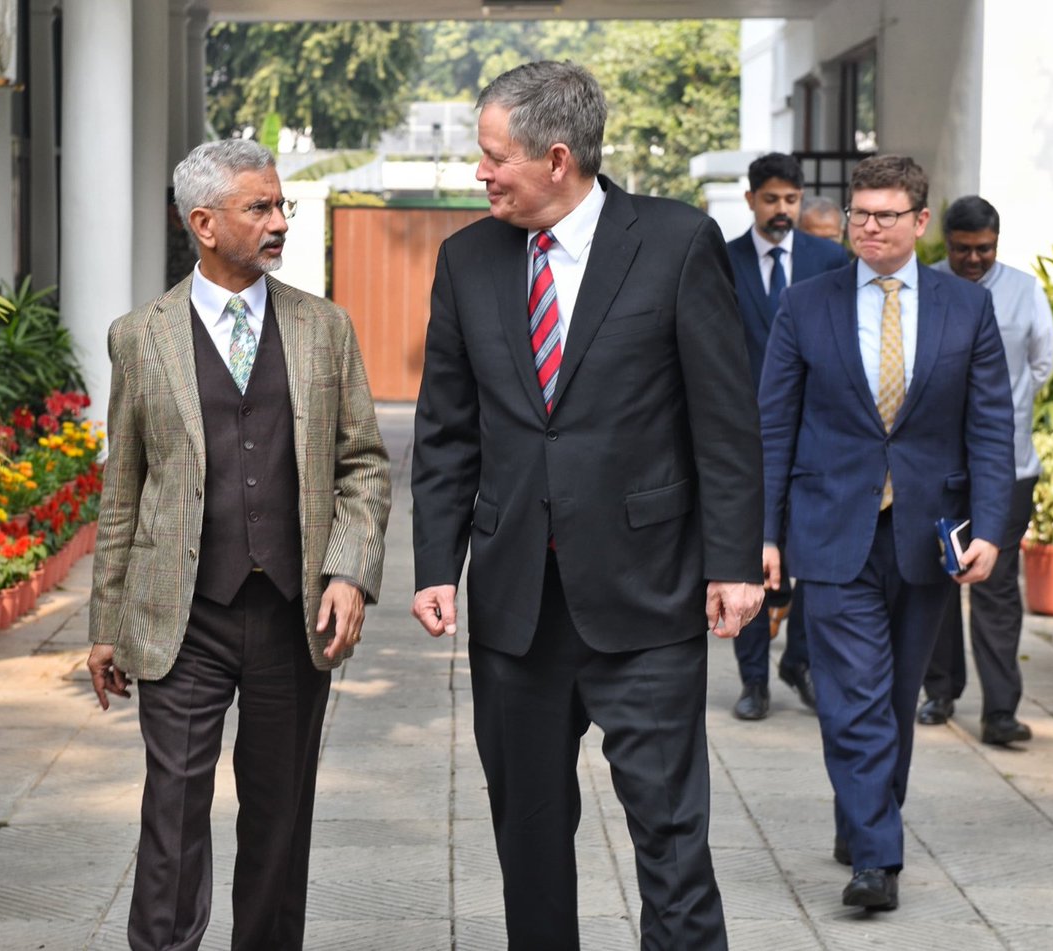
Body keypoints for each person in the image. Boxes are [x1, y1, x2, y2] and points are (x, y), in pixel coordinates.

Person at [410, 61, 765, 950]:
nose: (480, 174)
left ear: (557, 157)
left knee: (672, 838)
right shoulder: (466, 261)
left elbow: (725, 419)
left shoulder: (680, 242)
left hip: (648, 597)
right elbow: (447, 430)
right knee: (527, 842)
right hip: (516, 609)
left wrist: (733, 560)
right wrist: (434, 567)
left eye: (494, 158)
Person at [86, 139, 391, 951]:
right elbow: (124, 489)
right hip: (182, 617)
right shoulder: (139, 337)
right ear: (204, 223)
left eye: (280, 203)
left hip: (294, 617)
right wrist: (106, 622)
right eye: (259, 207)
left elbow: (363, 463)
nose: (279, 220)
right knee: (172, 817)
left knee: (279, 819)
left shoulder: (324, 328)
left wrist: (350, 573)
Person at [760, 155, 1014, 912]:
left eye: (885, 214)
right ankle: (878, 857)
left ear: (918, 222)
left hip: (928, 534)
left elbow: (992, 426)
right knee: (853, 695)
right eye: (858, 213)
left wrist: (992, 531)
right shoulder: (806, 306)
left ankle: (862, 815)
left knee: (897, 697)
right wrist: (762, 533)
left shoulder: (965, 309)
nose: (868, 226)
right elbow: (771, 426)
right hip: (832, 529)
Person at [918, 196, 1053, 744]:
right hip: (938, 468)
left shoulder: (1024, 292)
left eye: (984, 250)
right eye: (961, 250)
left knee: (997, 589)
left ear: (997, 242)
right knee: (939, 581)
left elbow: (1040, 364)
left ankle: (1000, 711)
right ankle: (940, 690)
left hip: (1009, 466)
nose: (973, 260)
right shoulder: (924, 288)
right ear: (945, 241)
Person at [725, 152, 848, 720]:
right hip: (743, 438)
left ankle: (797, 659)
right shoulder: (721, 262)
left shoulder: (830, 260)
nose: (781, 210)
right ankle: (754, 681)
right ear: (751, 199)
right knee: (748, 554)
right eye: (771, 199)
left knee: (810, 556)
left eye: (791, 200)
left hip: (816, 434)